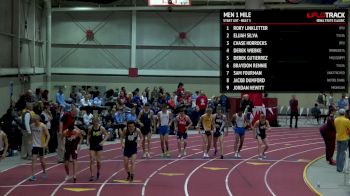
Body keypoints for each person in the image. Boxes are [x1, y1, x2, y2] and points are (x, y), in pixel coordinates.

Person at [87, 116, 110, 181]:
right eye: (94, 122)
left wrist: (103, 141)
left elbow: (107, 135)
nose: (96, 123)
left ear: (98, 122)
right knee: (92, 159)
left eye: (97, 122)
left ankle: (98, 171)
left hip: (99, 145)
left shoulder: (101, 128)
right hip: (92, 145)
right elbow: (88, 135)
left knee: (98, 161)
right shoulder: (90, 128)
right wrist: (88, 141)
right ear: (92, 122)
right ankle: (92, 175)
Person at [29, 115, 50, 181]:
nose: (35, 122)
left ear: (39, 120)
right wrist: (31, 140)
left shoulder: (43, 126)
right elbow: (32, 134)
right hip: (35, 145)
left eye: (36, 120)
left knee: (42, 161)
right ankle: (33, 175)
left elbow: (48, 135)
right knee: (33, 159)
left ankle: (44, 170)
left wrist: (46, 143)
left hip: (41, 145)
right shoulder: (32, 126)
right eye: (33, 120)